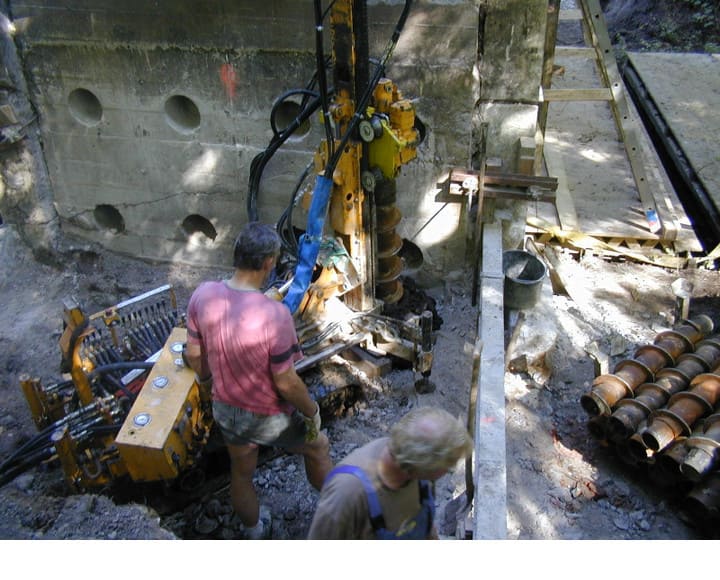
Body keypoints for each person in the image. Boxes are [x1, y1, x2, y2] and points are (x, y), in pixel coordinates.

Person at [184, 221, 333, 540]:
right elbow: (286, 383)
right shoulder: (274, 315)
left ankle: (254, 531)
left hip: (226, 409)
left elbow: (194, 355)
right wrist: (311, 412)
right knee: (318, 447)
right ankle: (338, 514)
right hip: (268, 417)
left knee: (242, 472)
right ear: (268, 263)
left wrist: (209, 382)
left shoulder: (203, 295)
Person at [307, 405, 473, 539]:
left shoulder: (416, 468)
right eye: (449, 465)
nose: (449, 471)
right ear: (424, 467)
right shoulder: (347, 495)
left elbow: (427, 526)